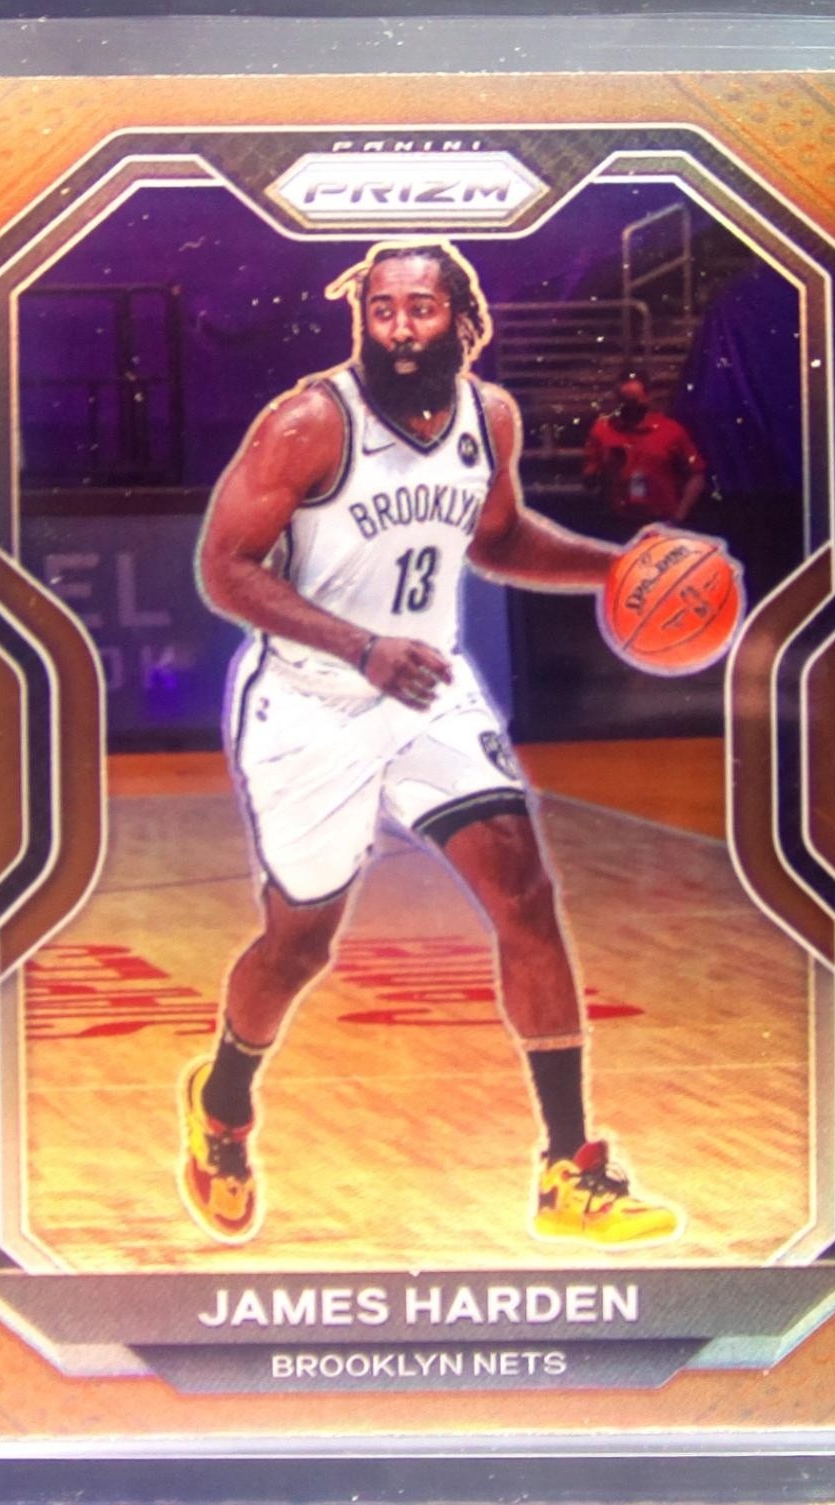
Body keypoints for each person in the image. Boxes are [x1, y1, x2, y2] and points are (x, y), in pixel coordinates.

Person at [179, 240, 681, 1249]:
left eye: (421, 308)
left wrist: (618, 566)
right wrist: (359, 647)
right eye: (383, 309)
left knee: (525, 894)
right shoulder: (308, 423)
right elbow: (225, 568)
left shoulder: (490, 417)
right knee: (298, 944)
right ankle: (222, 1102)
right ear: (361, 318)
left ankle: (569, 1168)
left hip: (429, 693)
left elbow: (498, 540)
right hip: (312, 703)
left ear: (462, 317)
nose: (400, 328)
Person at [582, 370, 706, 542]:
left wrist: (678, 518)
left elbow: (697, 475)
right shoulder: (603, 430)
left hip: (662, 524)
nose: (630, 410)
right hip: (619, 524)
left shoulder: (670, 430)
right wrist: (607, 466)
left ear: (647, 397)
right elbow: (589, 482)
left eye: (634, 402)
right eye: (625, 403)